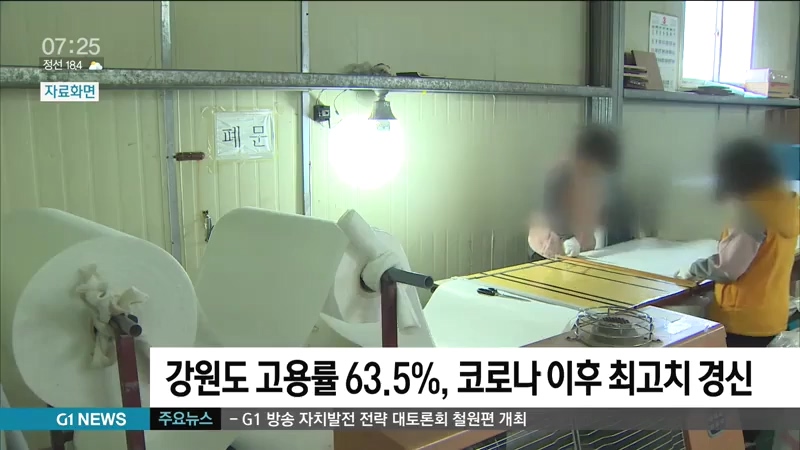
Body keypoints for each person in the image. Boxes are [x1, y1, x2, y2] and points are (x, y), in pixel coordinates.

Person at [674, 137, 799, 445]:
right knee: (753, 396)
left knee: (733, 404)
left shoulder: (752, 211)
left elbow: (730, 267)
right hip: (770, 315)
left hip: (741, 320)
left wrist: (696, 269)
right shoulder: (786, 203)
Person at [527, 126, 621, 261]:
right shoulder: (560, 173)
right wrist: (567, 237)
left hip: (581, 251)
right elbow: (552, 210)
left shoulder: (595, 174)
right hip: (549, 248)